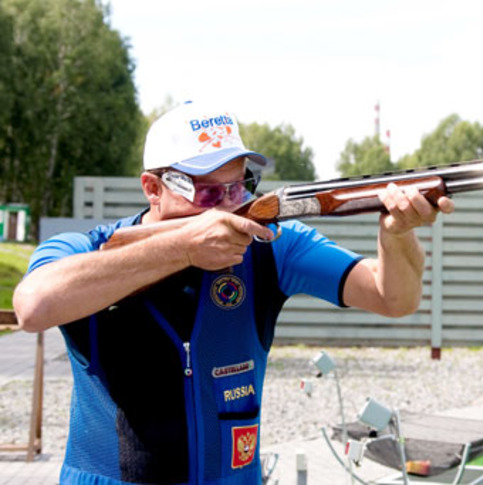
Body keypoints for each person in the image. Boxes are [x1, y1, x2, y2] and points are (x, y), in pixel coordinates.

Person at [13, 100, 455, 484]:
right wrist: (184, 247)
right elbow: (33, 306)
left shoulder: (271, 245)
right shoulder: (86, 249)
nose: (227, 205)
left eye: (239, 186)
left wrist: (397, 236)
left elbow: (393, 297)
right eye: (208, 192)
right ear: (152, 188)